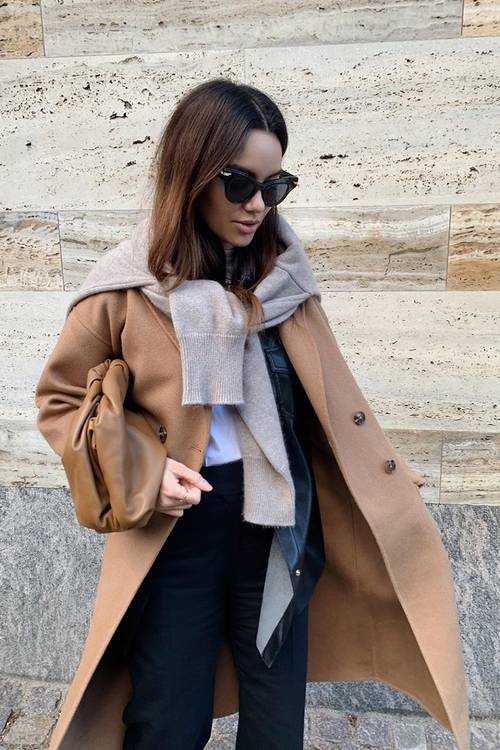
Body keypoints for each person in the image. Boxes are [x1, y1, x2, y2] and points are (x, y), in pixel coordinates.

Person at [34, 77, 471, 750]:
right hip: (176, 528)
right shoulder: (125, 290)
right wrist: (148, 473)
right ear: (192, 174)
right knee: (167, 712)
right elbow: (60, 401)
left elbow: (331, 401)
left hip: (278, 523)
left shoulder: (284, 280)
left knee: (276, 711)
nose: (258, 205)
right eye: (239, 183)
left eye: (275, 186)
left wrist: (381, 474)